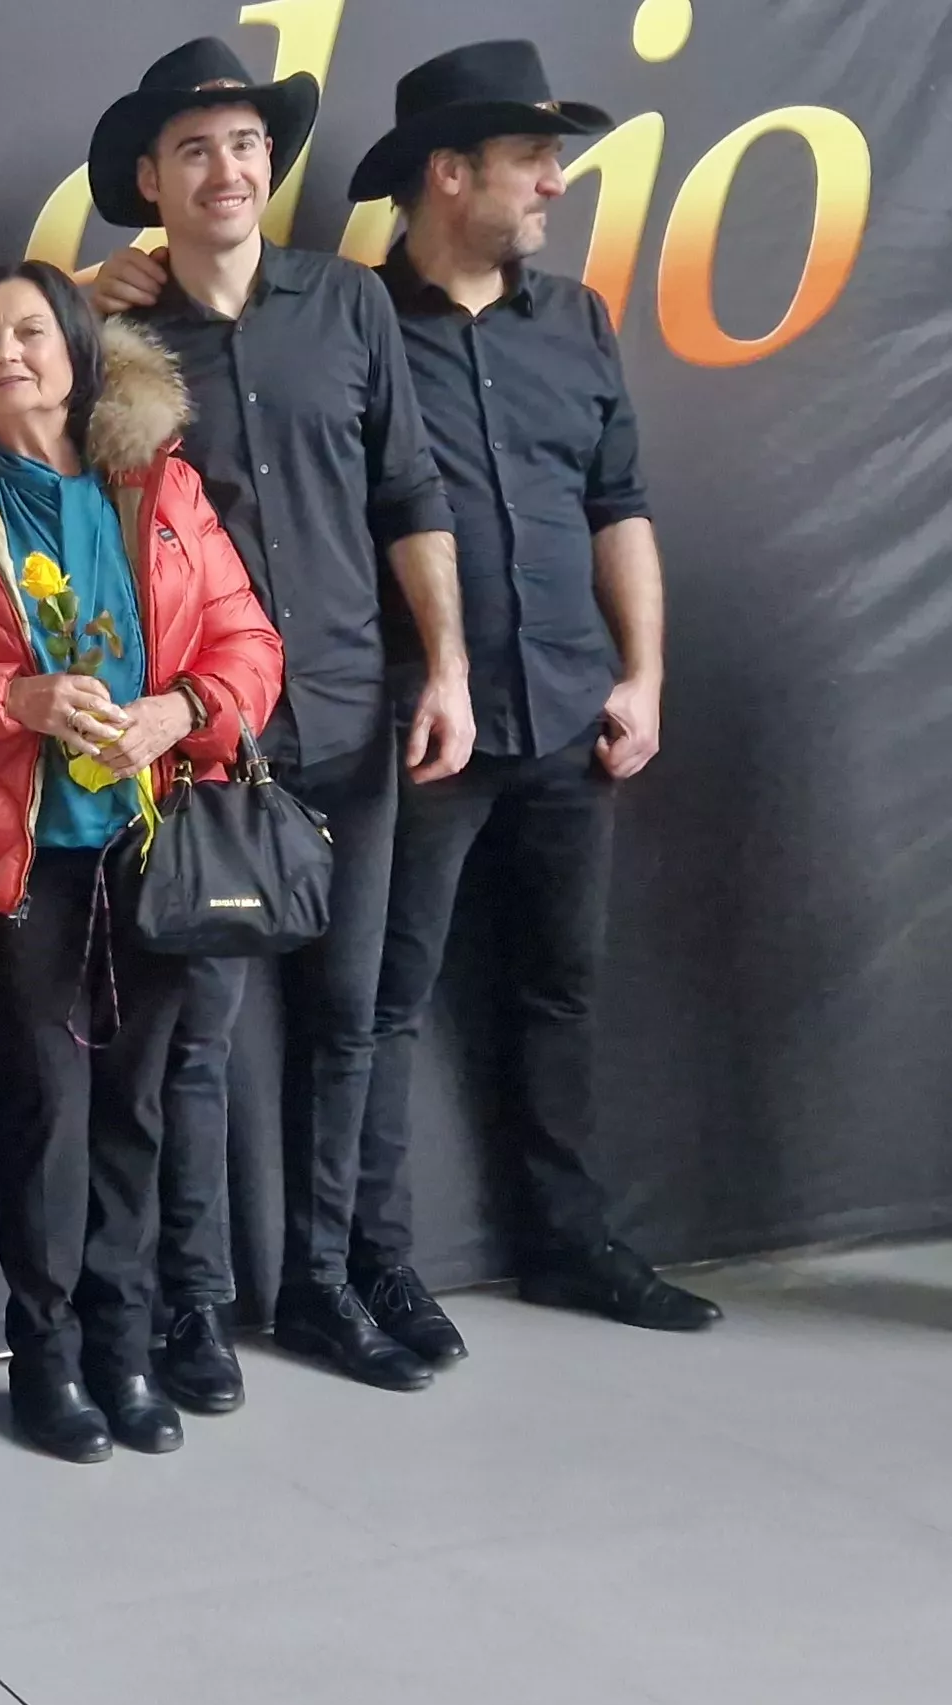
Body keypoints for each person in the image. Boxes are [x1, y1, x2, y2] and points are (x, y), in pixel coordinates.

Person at [0, 38, 468, 1406]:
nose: (228, 167)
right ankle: (182, 1317)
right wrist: (71, 303)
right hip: (186, 766)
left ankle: (327, 1281)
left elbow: (407, 494)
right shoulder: (111, 349)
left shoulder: (346, 306)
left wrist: (440, 667)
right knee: (175, 1048)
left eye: (248, 143)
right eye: (194, 147)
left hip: (330, 716)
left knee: (352, 1017)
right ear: (147, 179)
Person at [0, 262, 285, 1462]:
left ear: (78, 349)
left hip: (152, 847)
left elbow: (249, 645)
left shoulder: (158, 487)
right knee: (43, 1108)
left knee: (137, 1107)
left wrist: (178, 709)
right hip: (15, 860)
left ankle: (122, 1350)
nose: (6, 355)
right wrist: (13, 697)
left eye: (30, 331)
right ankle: (42, 1363)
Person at [333, 41, 720, 1338]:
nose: (555, 184)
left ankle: (566, 1245)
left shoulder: (579, 320)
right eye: (532, 160)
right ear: (450, 174)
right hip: (422, 725)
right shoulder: (349, 322)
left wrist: (643, 677)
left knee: (557, 989)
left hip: (569, 711)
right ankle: (368, 1266)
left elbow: (618, 506)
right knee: (382, 1003)